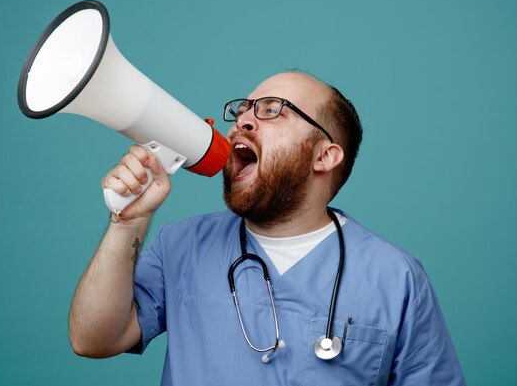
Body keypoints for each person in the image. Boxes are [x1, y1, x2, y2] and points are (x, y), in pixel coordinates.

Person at [68, 71, 466, 385]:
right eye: (243, 109)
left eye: (272, 110)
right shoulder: (181, 245)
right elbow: (93, 340)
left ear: (325, 156)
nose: (242, 121)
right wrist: (128, 221)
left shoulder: (396, 279)